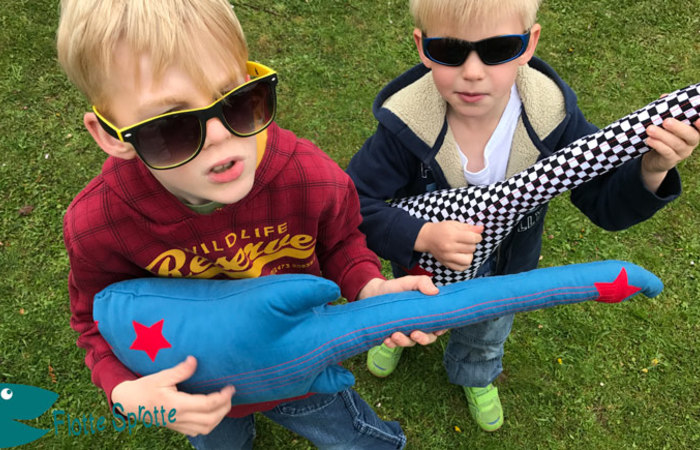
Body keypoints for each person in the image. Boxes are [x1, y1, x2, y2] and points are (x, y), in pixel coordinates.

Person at [57, 1, 442, 448]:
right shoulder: (99, 224)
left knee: (351, 437)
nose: (221, 135)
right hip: (199, 388)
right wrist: (123, 391)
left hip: (298, 366)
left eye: (237, 101)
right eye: (173, 127)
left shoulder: (308, 177)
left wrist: (368, 287)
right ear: (110, 134)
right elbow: (95, 317)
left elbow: (340, 243)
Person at [346, 0, 700, 433]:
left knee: (485, 334)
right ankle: (394, 335)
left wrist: (651, 169)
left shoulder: (551, 117)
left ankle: (474, 374)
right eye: (449, 50)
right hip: (420, 265)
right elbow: (354, 204)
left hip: (505, 271)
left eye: (497, 49)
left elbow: (604, 202)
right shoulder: (404, 126)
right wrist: (420, 235)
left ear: (528, 44)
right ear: (422, 47)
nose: (472, 72)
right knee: (407, 312)